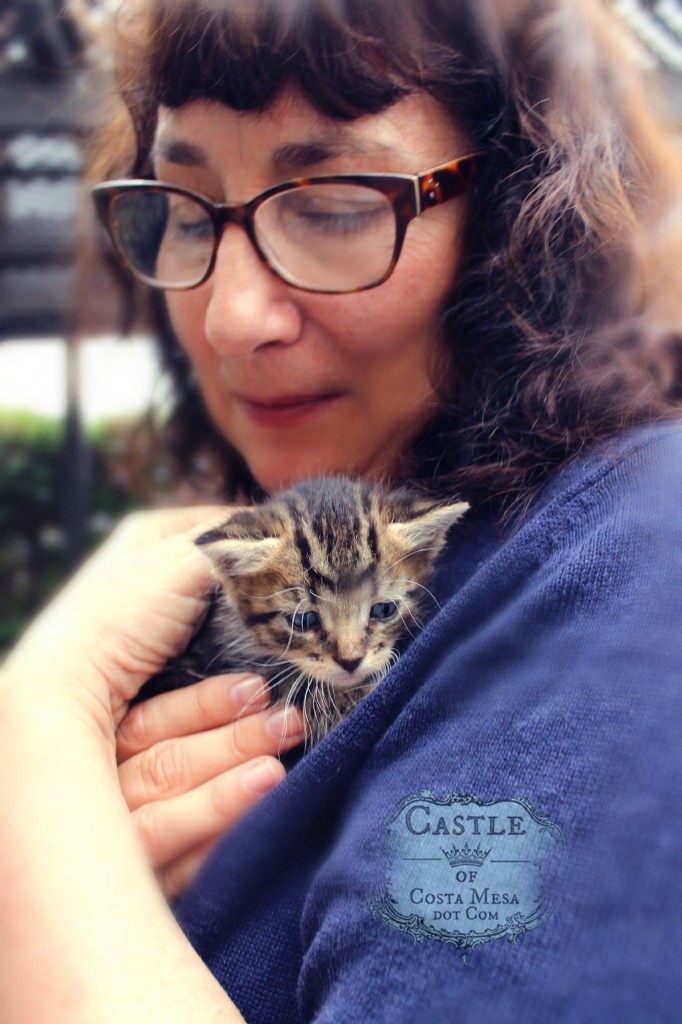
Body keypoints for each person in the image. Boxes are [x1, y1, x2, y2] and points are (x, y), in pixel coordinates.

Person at [1, 0, 681, 1020]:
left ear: (519, 217)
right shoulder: (266, 553)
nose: (232, 318)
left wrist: (32, 743)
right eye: (188, 211)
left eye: (331, 207)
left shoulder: (633, 562)